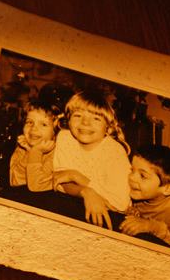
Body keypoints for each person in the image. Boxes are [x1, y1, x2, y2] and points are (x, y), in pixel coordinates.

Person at [52, 90, 131, 229]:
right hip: (76, 202)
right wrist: (86, 192)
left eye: (96, 119)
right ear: (68, 119)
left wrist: (75, 176)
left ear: (108, 127)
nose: (85, 123)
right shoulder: (65, 138)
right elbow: (59, 182)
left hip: (114, 215)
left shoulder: (115, 152)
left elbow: (119, 204)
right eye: (78, 115)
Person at [121, 145, 170, 254]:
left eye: (142, 176)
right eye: (132, 170)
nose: (131, 177)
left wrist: (153, 227)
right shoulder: (138, 194)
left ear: (167, 189)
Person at [9, 98, 62, 191]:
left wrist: (35, 152)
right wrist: (29, 153)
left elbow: (37, 185)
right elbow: (15, 182)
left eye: (43, 124)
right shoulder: (22, 149)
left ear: (55, 132)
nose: (33, 128)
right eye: (29, 122)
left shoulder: (57, 153)